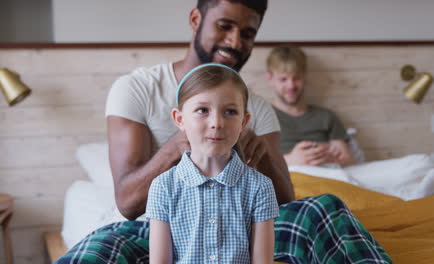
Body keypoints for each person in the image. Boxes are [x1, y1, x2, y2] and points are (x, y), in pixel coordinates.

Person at [56, 1, 392, 263]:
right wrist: (178, 146)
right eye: (224, 26)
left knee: (322, 208)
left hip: (240, 225)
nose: (235, 41)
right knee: (98, 245)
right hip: (150, 230)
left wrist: (260, 155)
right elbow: (128, 203)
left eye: (247, 33)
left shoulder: (256, 109)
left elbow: (286, 203)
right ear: (194, 20)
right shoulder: (137, 88)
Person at [147, 63, 278, 263]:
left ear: (244, 122)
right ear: (179, 119)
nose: (217, 122)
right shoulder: (163, 187)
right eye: (202, 110)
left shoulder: (260, 187)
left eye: (230, 112)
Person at [266, 45, 355, 167]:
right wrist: (290, 160)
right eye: (283, 79)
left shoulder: (326, 117)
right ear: (270, 78)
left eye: (296, 78)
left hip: (329, 176)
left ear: (304, 76)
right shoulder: (261, 117)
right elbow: (249, 165)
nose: (291, 86)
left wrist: (333, 157)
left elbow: (349, 162)